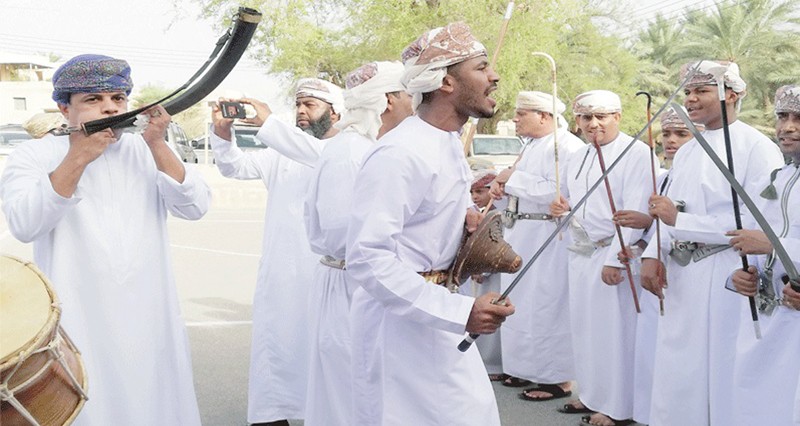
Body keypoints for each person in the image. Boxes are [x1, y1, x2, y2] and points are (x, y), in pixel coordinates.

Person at [0, 54, 210, 425]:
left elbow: (195, 206)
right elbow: (25, 224)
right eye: (93, 100)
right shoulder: (34, 155)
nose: (109, 107)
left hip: (151, 317)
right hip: (81, 322)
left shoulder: (146, 148)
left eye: (117, 98)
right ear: (64, 107)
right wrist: (77, 158)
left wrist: (158, 145)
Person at [345, 22, 515, 425]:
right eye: (481, 67)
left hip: (441, 319)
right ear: (444, 82)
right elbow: (369, 259)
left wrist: (466, 224)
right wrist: (459, 313)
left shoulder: (447, 143)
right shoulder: (401, 154)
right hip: (401, 329)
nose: (494, 76)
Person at [640, 61, 784, 426]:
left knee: (719, 370)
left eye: (700, 91)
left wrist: (681, 221)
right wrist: (653, 254)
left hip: (726, 276)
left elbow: (757, 228)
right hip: (681, 277)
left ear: (730, 94)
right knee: (678, 370)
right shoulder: (688, 149)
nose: (690, 99)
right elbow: (667, 210)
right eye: (687, 92)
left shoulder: (758, 149)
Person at [209, 78, 344, 426]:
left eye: (310, 104)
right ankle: (274, 414)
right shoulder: (281, 153)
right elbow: (235, 167)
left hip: (330, 275)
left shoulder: (346, 149)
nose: (301, 110)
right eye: (298, 104)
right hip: (283, 272)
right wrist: (223, 135)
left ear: (336, 112)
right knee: (278, 344)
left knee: (328, 353)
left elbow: (324, 157)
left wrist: (269, 124)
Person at [300, 60, 412, 425]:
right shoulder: (351, 152)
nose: (416, 105)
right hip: (351, 284)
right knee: (348, 387)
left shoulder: (365, 147)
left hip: (361, 284)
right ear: (389, 101)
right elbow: (344, 233)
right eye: (410, 95)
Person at [549, 90, 654, 426]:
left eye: (602, 116)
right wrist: (560, 210)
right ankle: (594, 394)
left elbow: (635, 209)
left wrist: (614, 260)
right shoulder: (578, 155)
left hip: (616, 255)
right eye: (586, 117)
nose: (593, 124)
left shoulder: (637, 153)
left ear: (617, 118)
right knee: (586, 329)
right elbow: (573, 201)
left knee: (617, 333)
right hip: (581, 253)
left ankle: (619, 407)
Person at [489, 91, 584, 399]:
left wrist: (512, 178)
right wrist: (501, 185)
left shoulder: (567, 146)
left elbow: (560, 192)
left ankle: (556, 378)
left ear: (544, 116)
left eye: (521, 113)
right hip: (521, 232)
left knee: (546, 305)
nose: (515, 119)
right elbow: (519, 187)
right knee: (520, 303)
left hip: (548, 234)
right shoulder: (531, 146)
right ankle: (524, 369)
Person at [612, 106, 703, 425]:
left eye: (681, 134)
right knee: (650, 348)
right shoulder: (664, 177)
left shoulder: (702, 173)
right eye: (666, 134)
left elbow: (688, 222)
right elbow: (658, 228)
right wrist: (640, 240)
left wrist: (649, 226)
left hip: (689, 272)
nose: (671, 140)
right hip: (655, 271)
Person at [726, 84, 800, 426]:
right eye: (782, 117)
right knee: (757, 400)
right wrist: (743, 273)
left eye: (798, 118)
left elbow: (770, 240)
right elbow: (759, 236)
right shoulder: (780, 177)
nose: (787, 127)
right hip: (768, 311)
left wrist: (773, 245)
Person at [459, 169, 508, 382]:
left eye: (480, 191)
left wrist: (485, 267)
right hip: (481, 275)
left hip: (496, 273)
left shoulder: (500, 214)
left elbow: (498, 244)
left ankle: (498, 363)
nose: (475, 196)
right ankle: (487, 363)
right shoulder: (477, 212)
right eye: (472, 192)